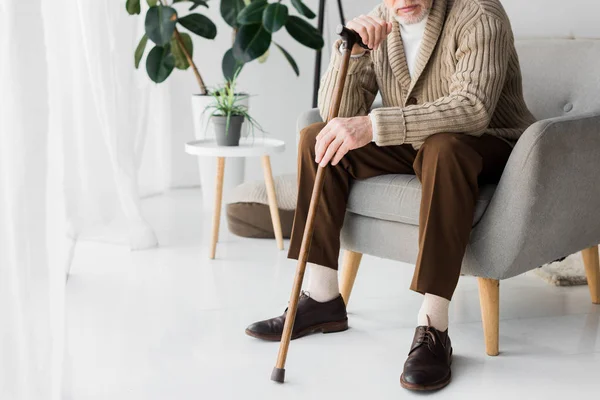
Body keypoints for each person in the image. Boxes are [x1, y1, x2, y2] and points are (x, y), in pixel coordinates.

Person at [246, 0, 536, 391]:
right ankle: (321, 299)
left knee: (444, 148)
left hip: (491, 145)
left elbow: (472, 109)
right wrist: (352, 51)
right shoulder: (380, 22)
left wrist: (375, 124)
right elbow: (336, 113)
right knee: (317, 138)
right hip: (417, 140)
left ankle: (433, 326)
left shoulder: (478, 13)